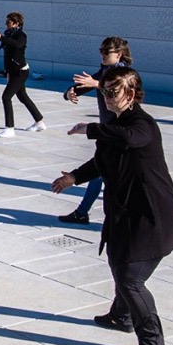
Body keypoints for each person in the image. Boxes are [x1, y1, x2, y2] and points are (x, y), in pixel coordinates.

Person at [68, 67, 173, 345]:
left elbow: (131, 139)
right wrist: (73, 177)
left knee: (131, 278)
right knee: (118, 260)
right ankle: (121, 316)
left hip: (152, 215)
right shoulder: (116, 125)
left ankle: (153, 342)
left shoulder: (142, 124)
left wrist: (90, 128)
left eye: (112, 92)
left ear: (131, 94)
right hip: (125, 213)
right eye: (103, 91)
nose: (106, 97)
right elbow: (101, 160)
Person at [54, 36, 130, 224]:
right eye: (101, 51)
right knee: (99, 171)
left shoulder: (125, 73)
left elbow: (116, 88)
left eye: (107, 52)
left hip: (120, 132)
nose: (102, 55)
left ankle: (92, 213)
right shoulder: (104, 71)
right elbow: (88, 84)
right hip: (107, 131)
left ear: (119, 54)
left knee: (110, 173)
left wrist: (97, 84)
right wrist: (70, 92)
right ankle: (82, 212)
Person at [0, 11, 45, 137]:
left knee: (6, 97)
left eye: (8, 21)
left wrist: (1, 38)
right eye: (6, 21)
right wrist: (8, 72)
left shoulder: (21, 35)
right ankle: (39, 122)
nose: (6, 24)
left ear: (16, 23)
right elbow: (8, 55)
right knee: (22, 97)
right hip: (13, 72)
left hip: (21, 71)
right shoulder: (9, 34)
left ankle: (10, 128)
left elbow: (18, 45)